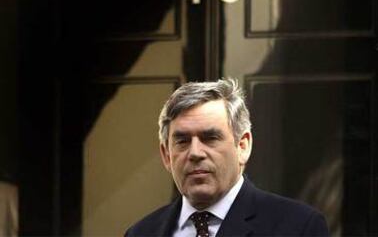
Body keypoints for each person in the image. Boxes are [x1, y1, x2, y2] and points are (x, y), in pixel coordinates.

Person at [125, 79, 329, 237]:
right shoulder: (140, 233)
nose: (195, 152)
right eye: (183, 141)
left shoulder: (299, 227)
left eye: (210, 138)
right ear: (166, 155)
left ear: (243, 146)